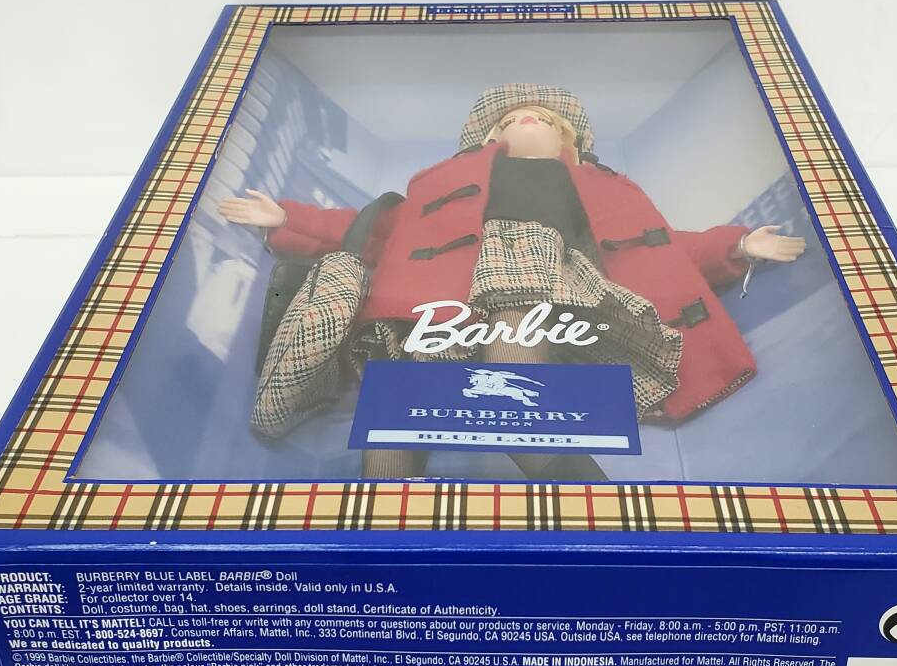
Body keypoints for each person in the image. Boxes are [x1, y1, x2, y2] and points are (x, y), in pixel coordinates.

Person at [219, 84, 805, 481]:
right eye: (511, 119)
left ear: (569, 142)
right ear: (487, 139)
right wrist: (288, 219)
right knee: (407, 390)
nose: (527, 120)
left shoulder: (605, 189)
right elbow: (376, 230)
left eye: (545, 119)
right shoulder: (437, 186)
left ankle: (595, 515)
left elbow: (664, 249)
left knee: (515, 350)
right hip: (437, 297)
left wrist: (736, 245)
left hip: (549, 286)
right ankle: (387, 522)